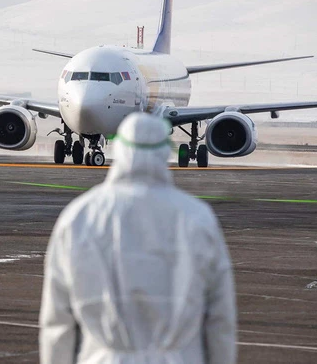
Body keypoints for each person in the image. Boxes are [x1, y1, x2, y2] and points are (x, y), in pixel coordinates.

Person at [39, 112, 237, 364]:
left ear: (119, 148)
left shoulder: (79, 216)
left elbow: (57, 322)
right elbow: (220, 321)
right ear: (165, 151)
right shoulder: (197, 217)